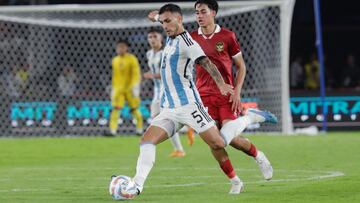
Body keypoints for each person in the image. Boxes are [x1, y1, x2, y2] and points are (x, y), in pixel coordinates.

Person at [126, 4, 276, 198]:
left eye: (168, 21)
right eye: (162, 22)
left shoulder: (188, 43)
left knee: (220, 142)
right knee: (146, 141)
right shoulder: (170, 32)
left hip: (190, 106)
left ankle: (250, 118)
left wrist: (222, 84)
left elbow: (205, 62)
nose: (165, 26)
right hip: (169, 108)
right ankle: (136, 186)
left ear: (180, 19)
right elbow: (164, 19)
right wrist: (157, 17)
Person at [143, 27, 189, 157]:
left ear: (161, 38)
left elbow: (168, 72)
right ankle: (182, 140)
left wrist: (151, 76)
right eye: (150, 37)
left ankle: (184, 132)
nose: (152, 39)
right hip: (156, 91)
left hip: (166, 89)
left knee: (160, 120)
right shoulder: (149, 54)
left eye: (155, 37)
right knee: (161, 120)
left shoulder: (165, 53)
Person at [108, 39, 143, 136]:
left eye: (122, 47)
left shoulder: (132, 59)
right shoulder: (115, 60)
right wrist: (113, 88)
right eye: (119, 47)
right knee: (116, 109)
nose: (120, 49)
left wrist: (135, 86)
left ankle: (139, 130)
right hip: (119, 89)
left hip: (130, 89)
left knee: (135, 109)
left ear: (126, 48)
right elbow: (114, 76)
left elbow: (136, 73)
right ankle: (112, 131)